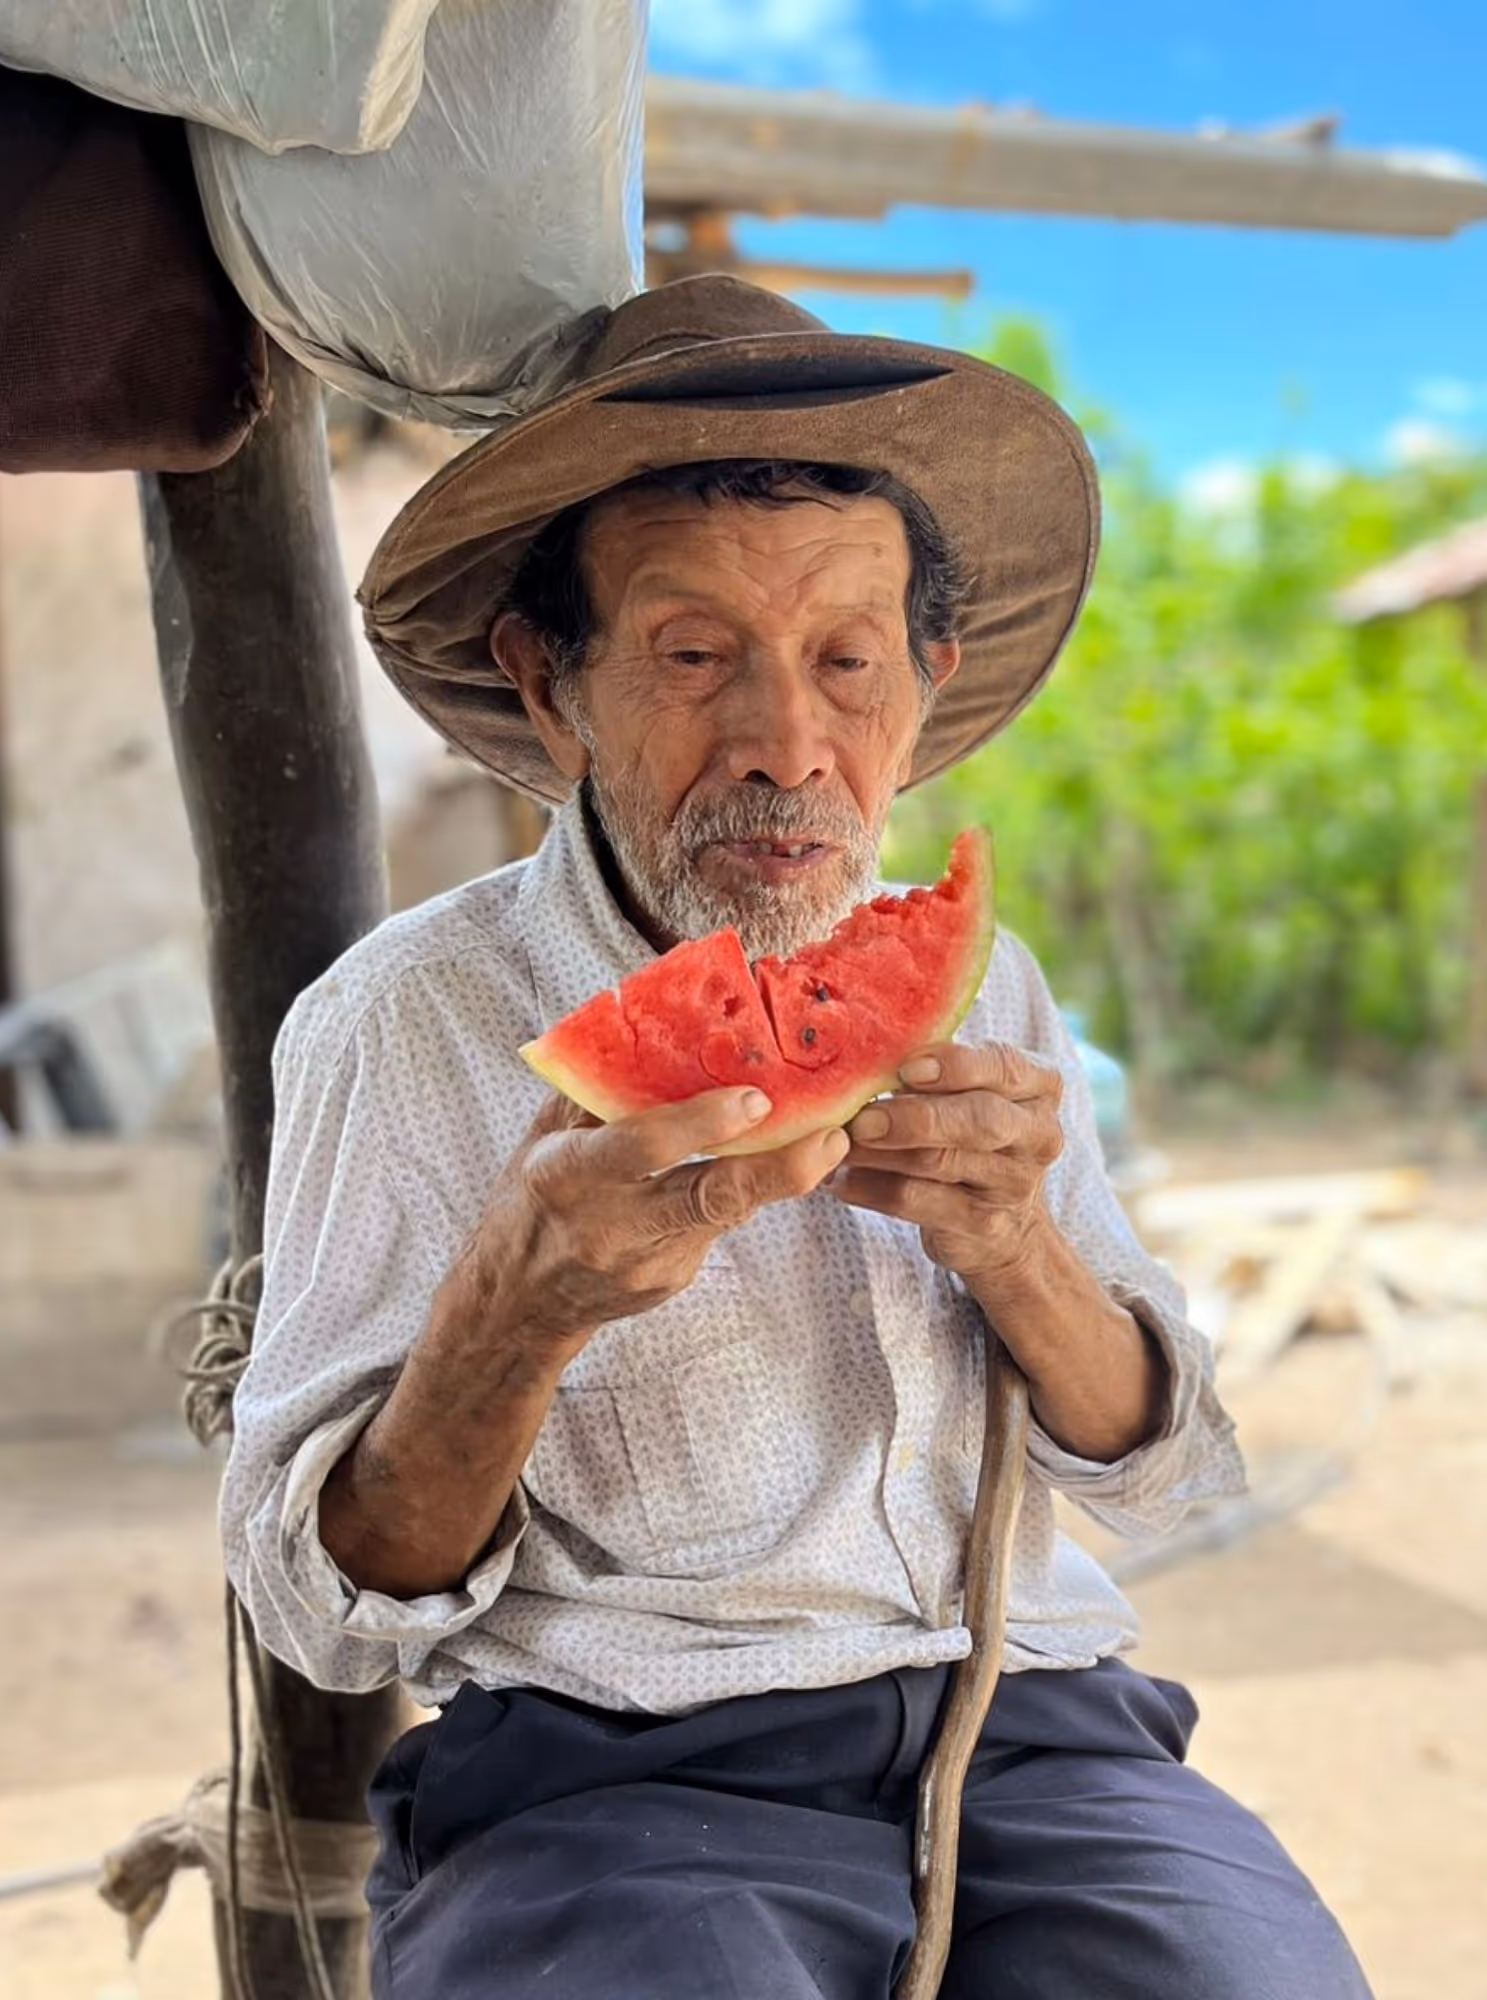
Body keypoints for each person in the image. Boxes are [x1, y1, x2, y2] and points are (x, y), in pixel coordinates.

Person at [219, 277, 1371, 2000]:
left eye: (846, 662)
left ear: (928, 682)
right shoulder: (405, 1022)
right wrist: (516, 1308)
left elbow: (1168, 1458)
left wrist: (1018, 1247)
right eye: (695, 660)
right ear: (554, 687)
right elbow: (322, 1615)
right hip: (618, 1776)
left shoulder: (997, 987)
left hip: (1038, 1739)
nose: (785, 747)